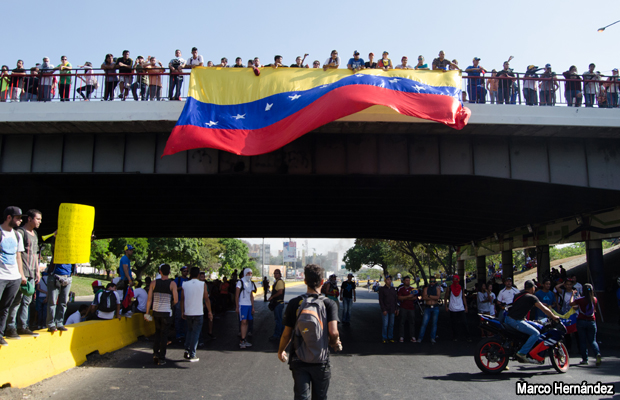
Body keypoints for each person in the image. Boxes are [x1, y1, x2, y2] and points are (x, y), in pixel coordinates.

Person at [277, 264, 341, 400]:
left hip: (298, 358)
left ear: (305, 281)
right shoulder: (329, 304)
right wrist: (334, 342)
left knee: (301, 396)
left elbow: (287, 333)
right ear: (322, 282)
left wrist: (281, 350)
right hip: (320, 360)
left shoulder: (295, 303)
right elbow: (334, 332)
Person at [5, 209, 41, 338]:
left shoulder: (34, 234)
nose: (40, 222)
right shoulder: (20, 233)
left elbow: (35, 254)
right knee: (16, 301)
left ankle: (23, 326)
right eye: (38, 219)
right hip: (21, 273)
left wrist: (37, 271)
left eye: (40, 219)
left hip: (31, 273)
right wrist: (21, 274)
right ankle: (10, 327)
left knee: (27, 301)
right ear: (29, 219)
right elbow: (17, 254)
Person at [505, 280, 560, 363]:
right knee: (536, 333)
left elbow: (518, 308)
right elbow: (544, 309)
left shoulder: (517, 295)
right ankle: (522, 353)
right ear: (533, 288)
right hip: (515, 321)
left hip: (508, 319)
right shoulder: (532, 297)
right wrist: (554, 316)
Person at [0, 207, 27, 345]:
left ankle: (0, 334)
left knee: (5, 308)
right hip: (1, 276)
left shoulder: (17, 235)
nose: (20, 221)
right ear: (9, 217)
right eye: (18, 218)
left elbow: (18, 257)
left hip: (14, 277)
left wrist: (21, 275)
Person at [145, 263, 178, 365]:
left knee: (157, 333)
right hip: (166, 312)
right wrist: (170, 304)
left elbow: (149, 299)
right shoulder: (172, 284)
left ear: (160, 272)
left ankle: (155, 353)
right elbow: (176, 300)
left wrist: (147, 313)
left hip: (156, 312)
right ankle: (162, 358)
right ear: (169, 272)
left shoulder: (153, 283)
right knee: (164, 335)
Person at [181, 267, 213, 362]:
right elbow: (206, 298)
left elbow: (182, 299)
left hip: (188, 312)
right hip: (198, 312)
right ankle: (192, 354)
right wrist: (210, 311)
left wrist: (182, 311)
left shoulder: (185, 284)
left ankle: (187, 349)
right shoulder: (202, 284)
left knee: (190, 331)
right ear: (199, 275)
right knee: (196, 333)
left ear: (190, 274)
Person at [568, 283, 601, 366]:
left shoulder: (580, 299)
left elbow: (571, 303)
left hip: (581, 321)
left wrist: (572, 295)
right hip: (591, 321)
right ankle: (597, 353)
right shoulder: (594, 299)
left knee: (582, 341)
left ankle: (585, 359)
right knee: (593, 340)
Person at [444, 275, 469, 341]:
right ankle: (455, 336)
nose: (455, 281)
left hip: (461, 307)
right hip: (452, 308)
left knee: (464, 322)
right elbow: (446, 297)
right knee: (454, 323)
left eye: (456, 279)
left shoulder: (461, 288)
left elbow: (463, 297)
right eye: (454, 279)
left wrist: (466, 306)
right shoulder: (449, 288)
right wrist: (446, 306)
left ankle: (467, 336)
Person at [417, 276, 441, 344]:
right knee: (424, 323)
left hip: (435, 307)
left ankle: (432, 337)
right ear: (429, 282)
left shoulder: (437, 288)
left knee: (434, 323)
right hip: (427, 307)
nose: (432, 283)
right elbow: (424, 297)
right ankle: (420, 338)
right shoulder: (426, 288)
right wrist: (433, 297)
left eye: (433, 281)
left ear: (435, 282)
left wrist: (429, 296)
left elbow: (438, 297)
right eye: (431, 281)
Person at [236, 268, 254, 349]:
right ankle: (242, 340)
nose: (249, 275)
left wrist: (253, 307)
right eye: (248, 273)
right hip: (242, 305)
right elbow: (237, 295)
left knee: (246, 322)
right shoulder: (240, 282)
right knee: (243, 322)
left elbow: (251, 295)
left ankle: (244, 339)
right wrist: (237, 306)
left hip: (249, 305)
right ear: (245, 273)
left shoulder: (251, 283)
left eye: (250, 273)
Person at [397, 276, 417, 342]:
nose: (408, 282)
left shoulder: (412, 289)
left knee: (412, 322)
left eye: (408, 280)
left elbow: (415, 297)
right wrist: (408, 296)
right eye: (406, 280)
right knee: (402, 322)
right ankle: (401, 336)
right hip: (403, 307)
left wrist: (405, 297)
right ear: (403, 281)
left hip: (411, 308)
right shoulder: (401, 289)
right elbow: (399, 297)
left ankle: (412, 336)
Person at [378, 275, 397, 343]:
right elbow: (381, 300)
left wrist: (396, 308)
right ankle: (384, 337)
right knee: (385, 324)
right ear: (385, 281)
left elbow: (395, 299)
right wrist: (383, 309)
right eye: (388, 279)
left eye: (390, 279)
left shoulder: (393, 289)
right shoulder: (382, 289)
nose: (389, 281)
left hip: (392, 309)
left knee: (391, 324)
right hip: (386, 308)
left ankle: (390, 337)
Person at [268, 269, 285, 341]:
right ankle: (282, 334)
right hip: (278, 303)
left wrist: (272, 297)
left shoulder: (280, 282)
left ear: (280, 274)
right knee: (280, 320)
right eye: (274, 273)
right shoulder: (277, 282)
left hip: (278, 303)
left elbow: (280, 292)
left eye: (277, 273)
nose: (275, 275)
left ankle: (277, 335)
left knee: (278, 320)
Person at [174, 266, 189, 340]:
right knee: (178, 317)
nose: (185, 272)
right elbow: (174, 289)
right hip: (179, 300)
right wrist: (182, 287)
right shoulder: (178, 279)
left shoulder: (188, 280)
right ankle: (178, 332)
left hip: (187, 301)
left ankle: (183, 332)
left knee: (185, 318)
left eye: (187, 271)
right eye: (184, 271)